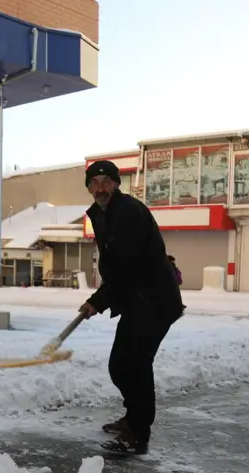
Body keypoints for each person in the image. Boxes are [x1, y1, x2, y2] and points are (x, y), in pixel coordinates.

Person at [79, 160, 185, 455]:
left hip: (154, 301)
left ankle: (138, 434)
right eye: (94, 182)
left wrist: (97, 301)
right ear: (89, 187)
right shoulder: (103, 213)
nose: (100, 188)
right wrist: (102, 298)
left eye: (106, 181)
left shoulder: (128, 212)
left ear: (116, 184)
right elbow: (117, 266)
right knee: (121, 365)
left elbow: (127, 266)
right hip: (138, 300)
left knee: (135, 366)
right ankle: (133, 418)